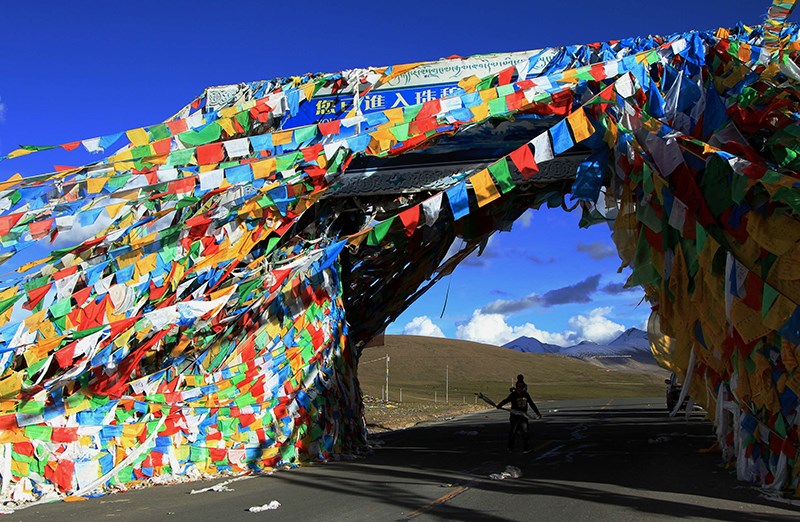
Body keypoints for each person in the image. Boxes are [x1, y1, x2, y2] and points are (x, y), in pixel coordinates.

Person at [497, 380, 542, 453]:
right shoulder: (513, 395)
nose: (521, 388)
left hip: (523, 416)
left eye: (522, 386)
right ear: (516, 387)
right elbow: (506, 400)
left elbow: (531, 403)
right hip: (514, 417)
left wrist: (537, 412)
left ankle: (526, 449)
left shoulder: (526, 395)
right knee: (513, 432)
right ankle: (510, 448)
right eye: (519, 386)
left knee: (525, 432)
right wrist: (499, 405)